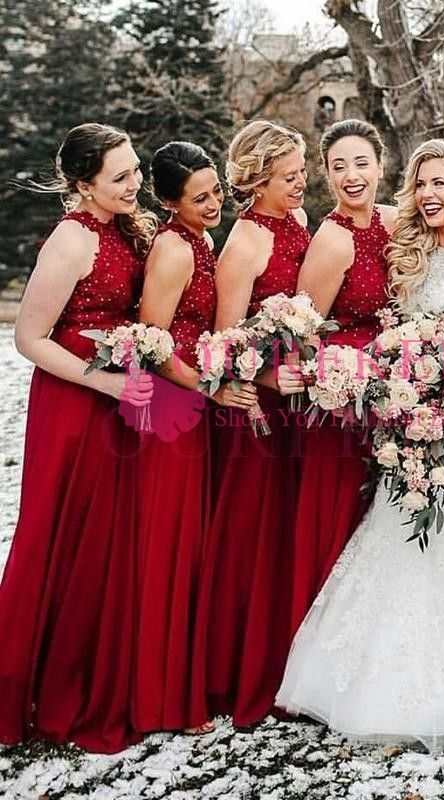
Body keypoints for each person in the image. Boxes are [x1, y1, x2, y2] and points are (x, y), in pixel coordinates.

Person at [276, 139, 444, 751]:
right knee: (395, 519)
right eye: (421, 184)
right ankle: (370, 676)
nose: (429, 195)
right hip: (403, 412)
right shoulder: (410, 245)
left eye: (442, 183)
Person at [0, 123, 155, 752]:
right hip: (75, 404)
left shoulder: (122, 227)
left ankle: (99, 673)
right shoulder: (70, 239)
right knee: (65, 532)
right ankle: (41, 684)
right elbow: (28, 338)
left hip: (122, 400)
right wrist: (106, 383)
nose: (135, 182)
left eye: (135, 169)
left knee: (109, 541)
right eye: (120, 176)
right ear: (84, 184)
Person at [191, 120, 308, 728]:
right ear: (258, 180)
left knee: (291, 532)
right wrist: (265, 378)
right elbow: (222, 342)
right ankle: (238, 667)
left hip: (302, 403)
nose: (301, 183)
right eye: (289, 176)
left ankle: (291, 657)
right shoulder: (244, 244)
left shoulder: (298, 222)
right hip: (258, 411)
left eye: (303, 171)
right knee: (253, 537)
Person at [133, 140, 252, 734]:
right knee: (170, 546)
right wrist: (211, 387)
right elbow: (151, 344)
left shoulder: (202, 240)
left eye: (216, 191)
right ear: (168, 202)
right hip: (167, 408)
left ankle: (185, 678)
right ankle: (161, 697)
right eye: (198, 197)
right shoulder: (174, 249)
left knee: (192, 543)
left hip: (193, 401)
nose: (213, 203)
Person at [287, 119, 397, 637]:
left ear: (380, 166)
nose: (351, 175)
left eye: (361, 163)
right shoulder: (331, 240)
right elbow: (305, 334)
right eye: (338, 166)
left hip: (399, 396)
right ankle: (323, 641)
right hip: (343, 404)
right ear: (326, 175)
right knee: (340, 521)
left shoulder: (396, 223)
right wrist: (343, 383)